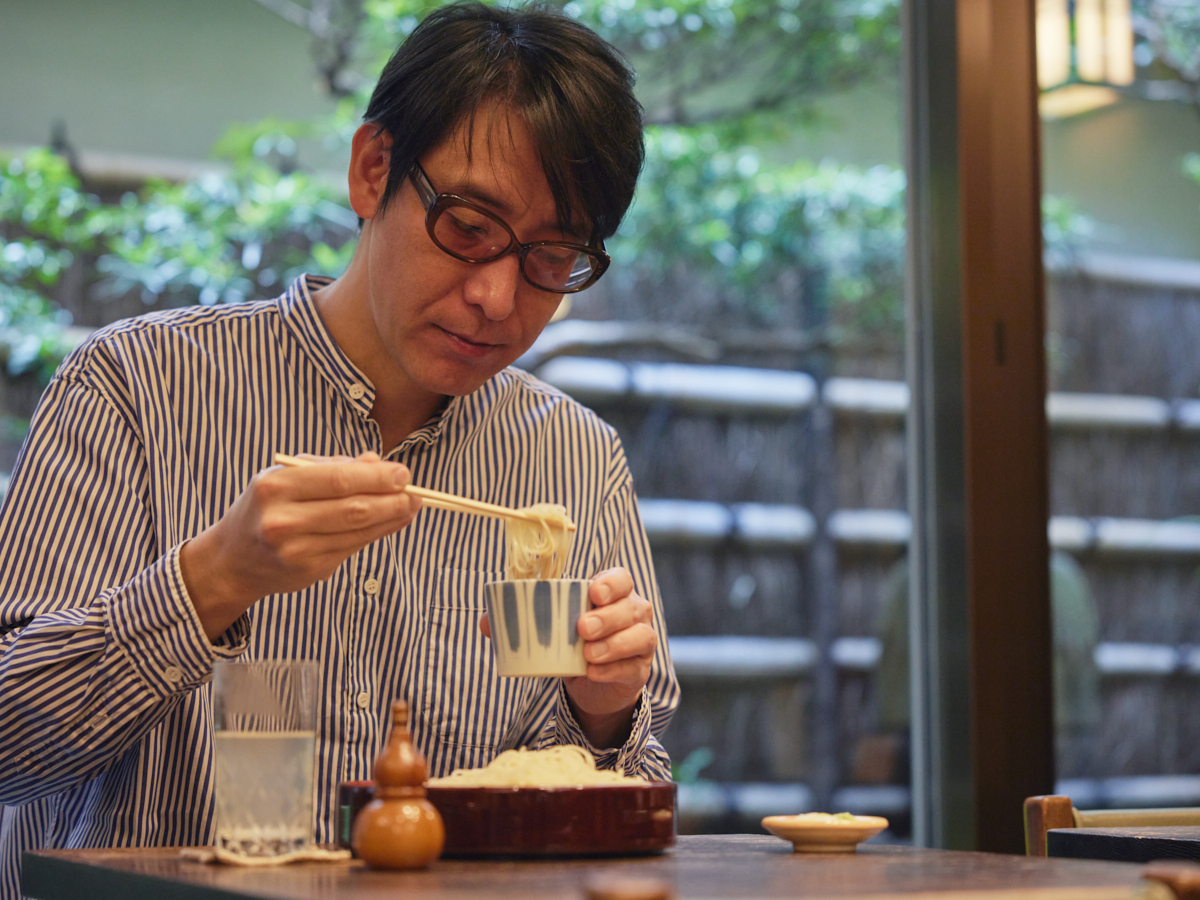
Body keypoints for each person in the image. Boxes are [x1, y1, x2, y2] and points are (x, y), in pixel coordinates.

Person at [0, 3, 679, 895]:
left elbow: (632, 800)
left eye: (552, 258)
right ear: (372, 171)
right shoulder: (137, 385)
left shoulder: (572, 458)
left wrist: (604, 714)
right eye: (468, 228)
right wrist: (212, 580)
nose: (496, 296)